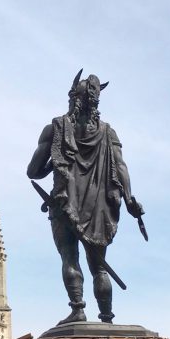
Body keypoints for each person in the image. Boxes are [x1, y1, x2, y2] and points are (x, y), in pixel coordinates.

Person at [27, 70, 144, 324]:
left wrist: (56, 164)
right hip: (98, 208)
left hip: (63, 202)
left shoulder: (56, 128)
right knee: (99, 266)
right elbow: (121, 167)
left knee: (70, 257)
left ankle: (78, 309)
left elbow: (33, 171)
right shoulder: (108, 132)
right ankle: (106, 318)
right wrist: (130, 198)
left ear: (73, 99)